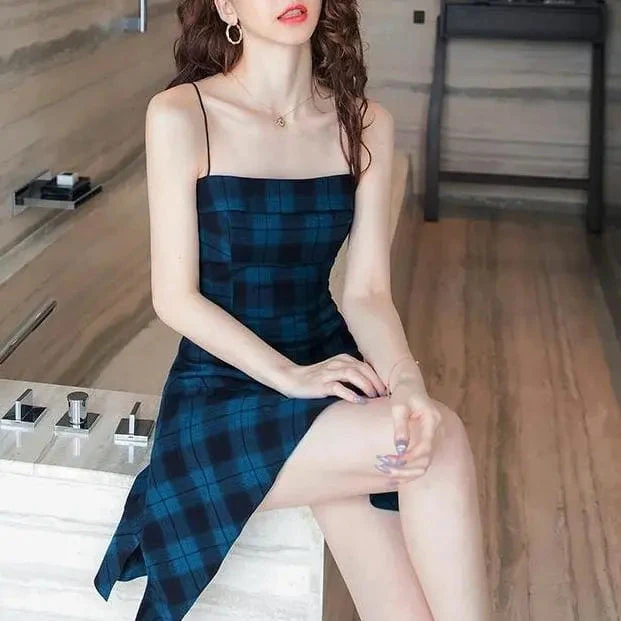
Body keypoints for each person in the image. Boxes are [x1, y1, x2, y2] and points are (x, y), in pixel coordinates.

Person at [93, 1, 491, 620]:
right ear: (227, 5)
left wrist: (406, 381)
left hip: (332, 370)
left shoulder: (364, 122)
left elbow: (366, 293)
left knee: (405, 597)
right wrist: (291, 377)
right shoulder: (181, 115)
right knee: (442, 443)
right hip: (223, 390)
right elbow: (175, 298)